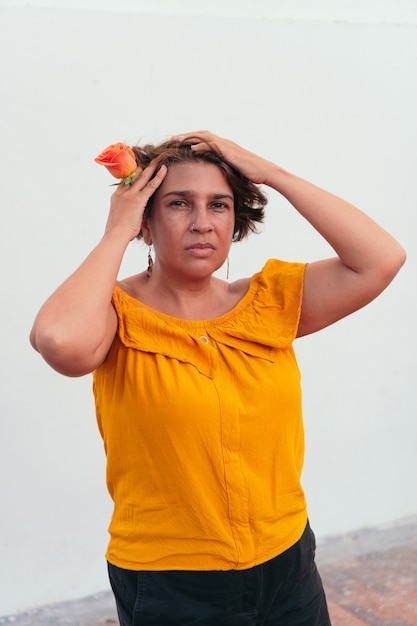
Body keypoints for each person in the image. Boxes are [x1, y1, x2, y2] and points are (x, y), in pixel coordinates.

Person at [30, 130, 406, 625]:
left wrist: (271, 173)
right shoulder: (112, 313)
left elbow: (382, 258)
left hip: (287, 563)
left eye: (220, 205)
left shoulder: (268, 302)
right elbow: (60, 342)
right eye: (179, 205)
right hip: (172, 582)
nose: (203, 223)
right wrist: (114, 233)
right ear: (145, 221)